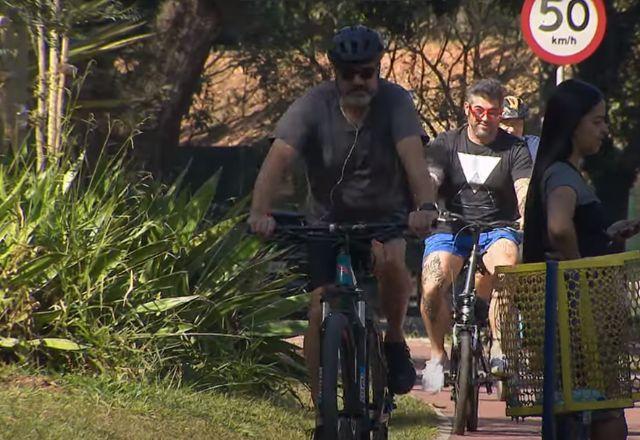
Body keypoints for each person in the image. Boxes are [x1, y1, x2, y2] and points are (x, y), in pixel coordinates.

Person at [248, 25, 438, 412]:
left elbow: (414, 162)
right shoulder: (312, 105)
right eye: (348, 74)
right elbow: (277, 160)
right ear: (334, 72)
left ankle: (395, 337)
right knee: (319, 306)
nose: (358, 81)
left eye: (366, 72)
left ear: (378, 70)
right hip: (326, 220)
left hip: (385, 215)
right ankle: (322, 409)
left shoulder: (396, 103)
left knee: (391, 263)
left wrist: (426, 208)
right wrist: (259, 213)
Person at [523, 79, 640, 439]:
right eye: (597, 121)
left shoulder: (565, 172)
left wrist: (607, 233)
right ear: (573, 124)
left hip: (568, 316)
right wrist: (578, 272)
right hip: (578, 317)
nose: (605, 129)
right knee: (606, 414)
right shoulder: (561, 173)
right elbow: (559, 227)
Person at [421, 78, 532, 393]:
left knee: (507, 267)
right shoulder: (445, 143)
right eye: (479, 110)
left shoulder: (516, 149)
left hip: (497, 229)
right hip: (451, 226)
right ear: (467, 109)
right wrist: (426, 204)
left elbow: (524, 188)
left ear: (500, 114)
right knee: (432, 285)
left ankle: (500, 348)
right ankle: (437, 355)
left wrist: (527, 214)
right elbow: (431, 177)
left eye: (493, 112)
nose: (485, 118)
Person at [500, 95, 540, 162]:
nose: (511, 129)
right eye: (506, 124)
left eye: (517, 124)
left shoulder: (533, 145)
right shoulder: (488, 147)